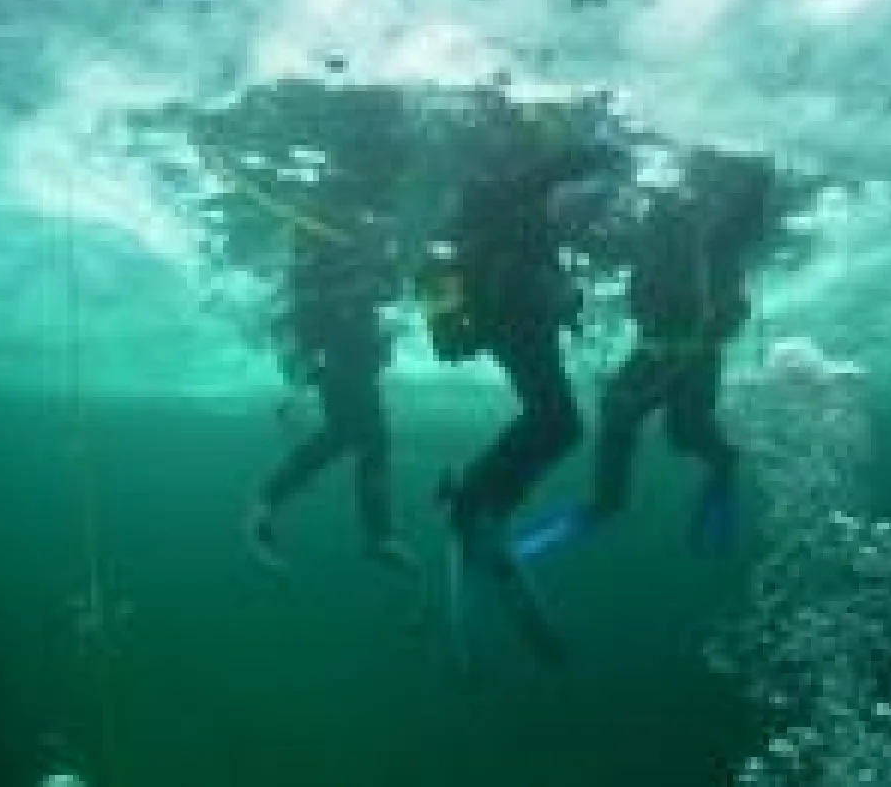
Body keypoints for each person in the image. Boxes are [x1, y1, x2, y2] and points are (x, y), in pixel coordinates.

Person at [417, 91, 622, 670]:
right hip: (508, 314)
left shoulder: (506, 195)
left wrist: (567, 297)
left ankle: (479, 498)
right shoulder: (492, 188)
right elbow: (538, 184)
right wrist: (597, 153)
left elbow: (547, 220)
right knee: (557, 422)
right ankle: (475, 502)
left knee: (554, 421)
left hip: (516, 312)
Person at [515, 148, 775, 559]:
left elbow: (745, 219)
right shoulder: (651, 229)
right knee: (636, 417)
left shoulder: (713, 236)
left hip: (695, 351)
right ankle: (607, 503)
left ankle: (712, 471)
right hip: (656, 347)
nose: (660, 204)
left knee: (677, 428)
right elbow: (600, 247)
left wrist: (758, 169)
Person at [244, 206, 422, 593]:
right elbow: (315, 298)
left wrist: (379, 278)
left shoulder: (356, 239)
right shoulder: (328, 237)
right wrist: (359, 287)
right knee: (366, 437)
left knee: (345, 436)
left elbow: (388, 287)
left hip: (350, 353)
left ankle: (267, 505)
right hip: (337, 354)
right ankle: (372, 534)